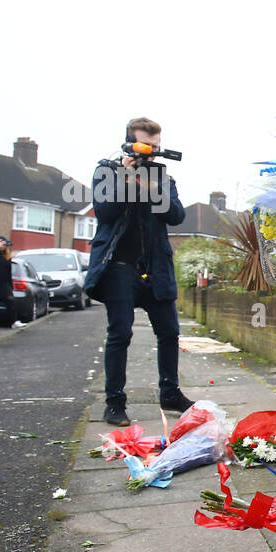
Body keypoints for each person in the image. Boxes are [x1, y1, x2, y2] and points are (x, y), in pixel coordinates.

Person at [83, 117, 193, 427]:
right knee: (120, 334)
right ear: (130, 142)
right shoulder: (107, 171)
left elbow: (176, 215)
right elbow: (104, 212)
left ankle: (170, 393)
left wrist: (148, 185)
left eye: (156, 148)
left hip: (156, 266)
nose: (152, 153)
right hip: (120, 267)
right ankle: (114, 402)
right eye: (147, 146)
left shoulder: (161, 177)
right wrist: (126, 177)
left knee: (170, 332)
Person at [0, 236, 24, 329]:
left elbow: (8, 272)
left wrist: (10, 286)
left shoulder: (5, 257)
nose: (3, 243)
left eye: (4, 242)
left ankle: (13, 322)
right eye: (0, 241)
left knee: (11, 300)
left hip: (4, 284)